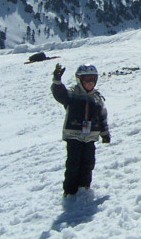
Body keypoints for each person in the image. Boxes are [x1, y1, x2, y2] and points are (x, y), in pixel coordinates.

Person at [51, 63, 111, 196]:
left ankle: (84, 187)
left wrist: (105, 133)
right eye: (87, 79)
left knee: (88, 162)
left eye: (93, 79)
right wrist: (57, 81)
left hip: (90, 136)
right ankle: (70, 190)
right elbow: (60, 94)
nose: (90, 83)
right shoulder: (72, 94)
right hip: (74, 135)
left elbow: (102, 117)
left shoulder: (97, 99)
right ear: (79, 79)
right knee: (73, 163)